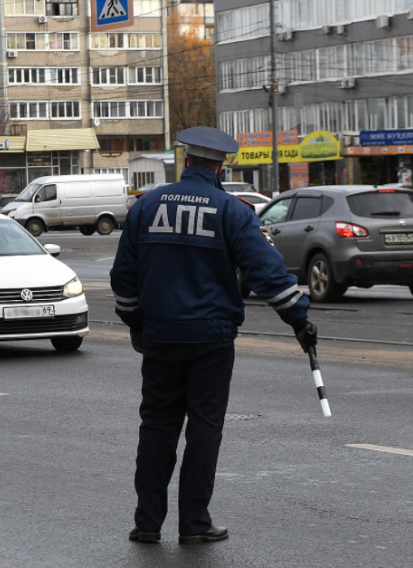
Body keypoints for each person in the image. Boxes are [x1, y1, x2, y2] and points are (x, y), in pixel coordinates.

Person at [110, 126, 317, 546]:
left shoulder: (146, 206)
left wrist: (135, 324)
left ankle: (147, 522)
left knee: (156, 427)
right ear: (222, 165)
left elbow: (124, 278)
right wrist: (299, 320)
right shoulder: (233, 211)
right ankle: (194, 523)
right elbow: (267, 275)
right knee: (204, 428)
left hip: (161, 336)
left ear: (185, 160)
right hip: (211, 339)